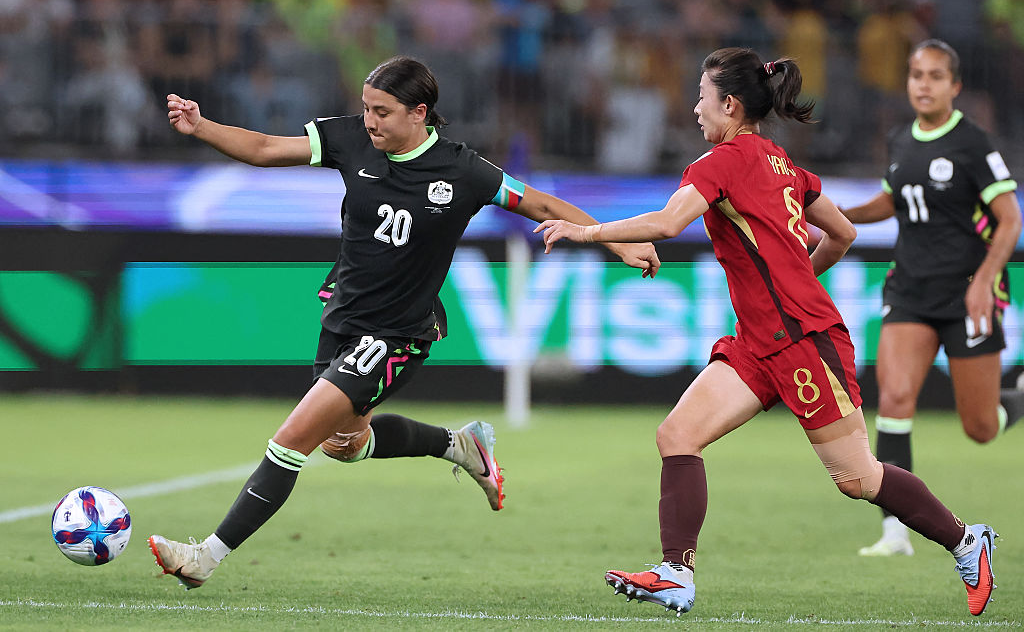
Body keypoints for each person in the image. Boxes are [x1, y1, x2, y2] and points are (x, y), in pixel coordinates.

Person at [147, 55, 660, 589]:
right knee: (343, 444)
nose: (370, 121)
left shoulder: (464, 170)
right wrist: (200, 125)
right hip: (342, 316)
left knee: (292, 438)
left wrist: (617, 241)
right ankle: (459, 446)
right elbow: (264, 149)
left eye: (382, 112)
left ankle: (204, 556)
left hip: (396, 334)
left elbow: (542, 204)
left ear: (420, 113)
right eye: (366, 108)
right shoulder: (350, 139)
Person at [535, 48, 998, 617]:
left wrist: (586, 235)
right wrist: (797, 272)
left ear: (728, 103)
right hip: (757, 342)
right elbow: (844, 233)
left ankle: (967, 540)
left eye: (702, 96)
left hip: (804, 341)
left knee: (857, 478)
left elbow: (667, 223)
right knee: (677, 436)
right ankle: (676, 573)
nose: (695, 107)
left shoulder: (720, 163)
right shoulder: (783, 164)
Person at [840, 39, 1023, 558]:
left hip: (968, 293)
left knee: (981, 427)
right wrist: (841, 214)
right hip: (910, 290)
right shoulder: (901, 138)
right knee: (895, 400)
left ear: (955, 86)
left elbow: (1010, 219)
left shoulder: (973, 143)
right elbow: (892, 200)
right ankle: (895, 531)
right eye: (916, 74)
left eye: (935, 76)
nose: (924, 84)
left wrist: (988, 278)